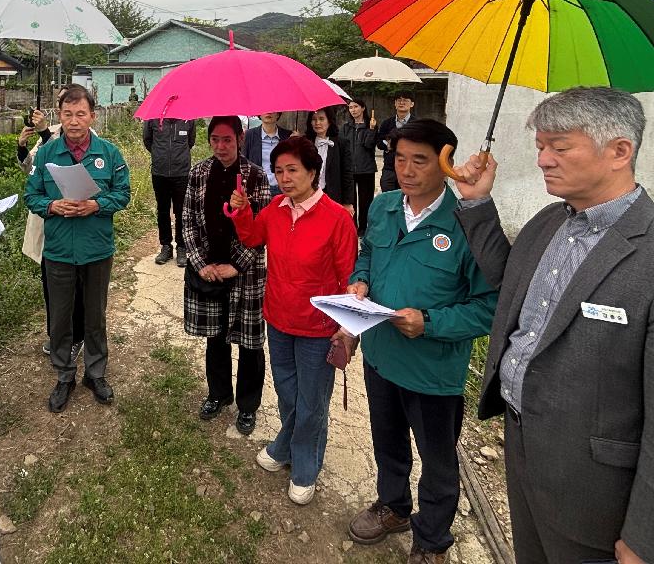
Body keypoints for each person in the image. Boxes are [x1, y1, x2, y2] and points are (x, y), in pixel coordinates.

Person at [452, 87, 653, 564]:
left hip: (596, 490)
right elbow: (510, 282)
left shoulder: (646, 252)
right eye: (540, 145)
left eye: (559, 147)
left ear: (620, 151)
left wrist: (645, 536)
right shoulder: (550, 221)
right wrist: (478, 203)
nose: (543, 159)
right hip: (524, 445)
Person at [346, 119, 497, 564]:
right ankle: (393, 506)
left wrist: (429, 322)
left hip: (433, 374)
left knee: (438, 462)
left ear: (446, 164)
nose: (407, 170)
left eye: (420, 160)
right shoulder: (384, 206)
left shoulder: (469, 223)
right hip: (381, 356)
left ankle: (431, 540)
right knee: (387, 441)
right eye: (399, 159)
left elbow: (489, 306)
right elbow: (368, 254)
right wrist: (359, 282)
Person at [228, 136, 358, 505]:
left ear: (313, 172)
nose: (284, 178)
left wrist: (346, 331)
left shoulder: (336, 219)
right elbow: (253, 237)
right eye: (279, 170)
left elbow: (349, 277)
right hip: (279, 318)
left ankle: (305, 465)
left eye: (292, 170)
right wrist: (241, 211)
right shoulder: (274, 208)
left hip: (318, 328)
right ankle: (287, 447)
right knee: (288, 392)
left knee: (313, 400)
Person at [24, 86, 131, 413]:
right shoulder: (46, 154)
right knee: (59, 318)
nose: (73, 121)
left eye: (80, 114)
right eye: (67, 114)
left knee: (95, 315)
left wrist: (95, 205)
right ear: (59, 116)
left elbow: (122, 194)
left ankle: (95, 373)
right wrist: (53, 205)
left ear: (92, 116)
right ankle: (65, 374)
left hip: (97, 249)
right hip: (58, 250)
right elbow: (32, 196)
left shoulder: (109, 153)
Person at [183, 116, 269, 436]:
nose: (221, 147)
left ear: (241, 138)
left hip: (244, 274)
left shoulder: (256, 177)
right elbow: (188, 221)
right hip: (209, 271)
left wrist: (237, 264)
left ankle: (248, 406)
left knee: (249, 343)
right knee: (215, 338)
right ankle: (218, 394)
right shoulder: (198, 174)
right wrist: (200, 263)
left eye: (227, 140)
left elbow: (262, 229)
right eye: (215, 140)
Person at [17, 96, 86, 362]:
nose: (71, 117)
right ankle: (57, 334)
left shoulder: (84, 131)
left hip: (78, 223)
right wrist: (22, 146)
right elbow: (32, 170)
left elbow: (73, 170)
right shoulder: (50, 133)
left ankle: (77, 335)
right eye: (64, 109)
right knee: (52, 283)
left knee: (79, 285)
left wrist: (46, 132)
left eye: (77, 110)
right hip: (50, 218)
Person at [143, 117, 197, 267]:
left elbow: (190, 142)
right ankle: (166, 246)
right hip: (159, 172)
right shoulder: (153, 119)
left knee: (181, 211)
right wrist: (159, 154)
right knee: (162, 210)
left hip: (181, 173)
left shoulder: (188, 119)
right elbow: (148, 141)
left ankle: (181, 246)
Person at [307, 107, 357, 216]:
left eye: (321, 119)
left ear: (329, 121)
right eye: (314, 119)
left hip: (332, 196)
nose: (317, 123)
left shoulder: (341, 144)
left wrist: (348, 202)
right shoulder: (305, 143)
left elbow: (347, 174)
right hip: (308, 195)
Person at [341, 98, 378, 235]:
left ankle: (364, 228)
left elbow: (369, 145)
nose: (353, 110)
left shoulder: (371, 125)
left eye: (356, 107)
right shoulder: (346, 127)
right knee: (351, 200)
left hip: (366, 168)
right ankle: (352, 227)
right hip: (349, 169)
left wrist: (372, 130)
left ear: (363, 108)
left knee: (365, 201)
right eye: (350, 107)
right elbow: (342, 146)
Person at [244, 112, 291, 197]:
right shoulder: (250, 135)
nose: (268, 112)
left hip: (282, 188)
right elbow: (244, 162)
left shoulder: (287, 136)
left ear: (278, 114)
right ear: (259, 114)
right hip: (258, 188)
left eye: (273, 110)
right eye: (265, 109)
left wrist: (297, 141)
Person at [377, 91, 415, 192]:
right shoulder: (387, 123)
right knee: (388, 197)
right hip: (389, 168)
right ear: (395, 103)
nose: (401, 103)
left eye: (405, 100)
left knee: (407, 198)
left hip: (409, 168)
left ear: (412, 104)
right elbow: (379, 142)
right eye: (399, 100)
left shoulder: (416, 124)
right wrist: (389, 146)